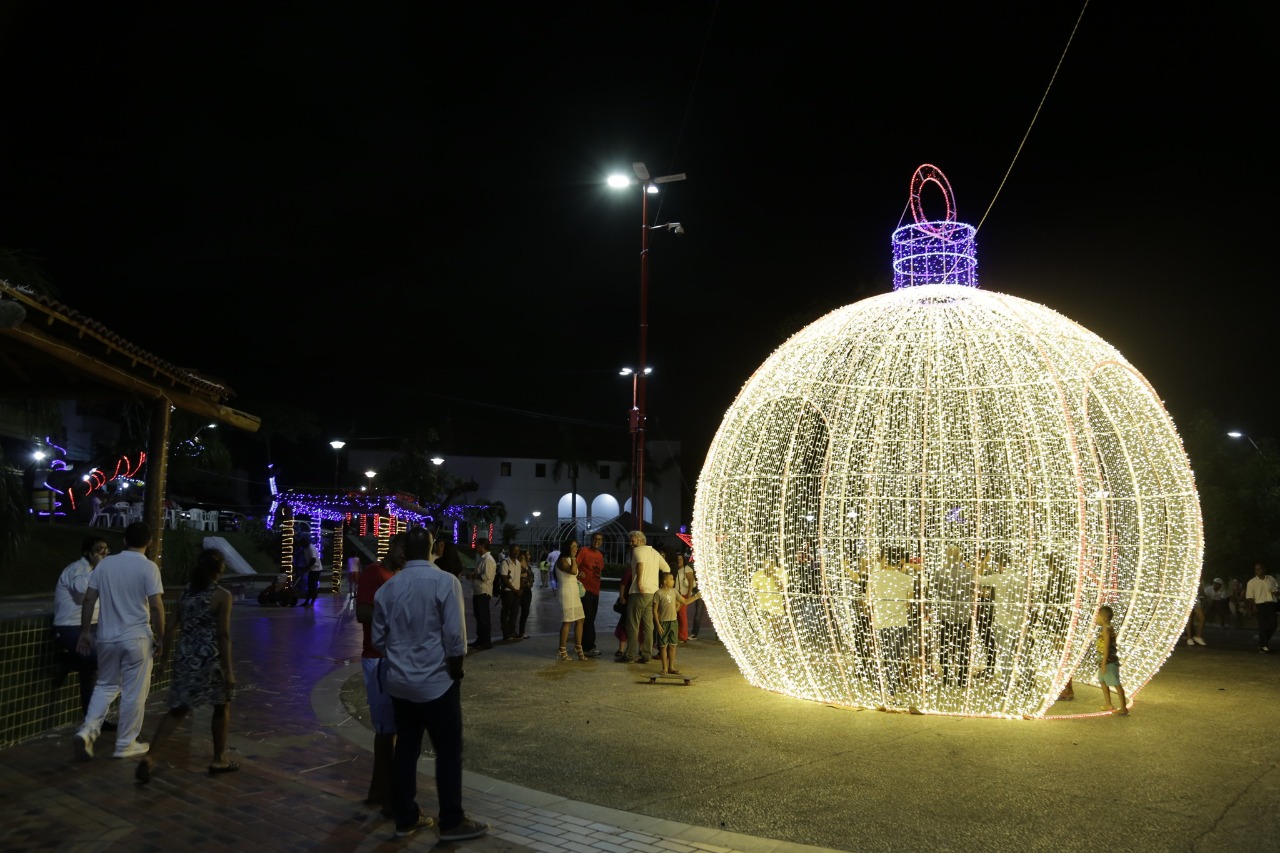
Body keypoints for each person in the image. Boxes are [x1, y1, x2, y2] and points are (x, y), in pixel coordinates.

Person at [372, 527, 488, 841]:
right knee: (448, 752)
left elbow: (378, 638)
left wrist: (401, 658)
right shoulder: (445, 582)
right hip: (438, 683)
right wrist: (456, 673)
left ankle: (405, 817)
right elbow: (455, 639)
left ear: (405, 552)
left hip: (400, 684)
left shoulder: (388, 589)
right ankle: (451, 821)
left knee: (406, 751)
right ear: (432, 548)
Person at [135, 549, 237, 783]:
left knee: (177, 709)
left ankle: (150, 757)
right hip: (210, 660)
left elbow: (170, 628)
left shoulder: (187, 593)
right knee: (221, 705)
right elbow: (223, 635)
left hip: (185, 659)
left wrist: (163, 661)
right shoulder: (222, 596)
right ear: (219, 568)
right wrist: (229, 670)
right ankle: (219, 758)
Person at [73, 521, 164, 761]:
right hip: (137, 638)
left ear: (124, 540)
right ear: (150, 542)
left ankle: (88, 730)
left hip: (106, 638)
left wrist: (84, 632)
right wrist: (162, 638)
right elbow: (156, 606)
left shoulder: (105, 565)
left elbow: (89, 599)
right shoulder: (149, 567)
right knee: (134, 692)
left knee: (105, 685)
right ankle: (125, 743)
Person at [355, 532, 407, 811]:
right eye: (402, 548)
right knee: (386, 729)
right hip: (377, 659)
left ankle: (381, 790)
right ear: (390, 547)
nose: (404, 555)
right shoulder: (374, 573)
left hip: (393, 658)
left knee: (393, 730)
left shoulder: (398, 576)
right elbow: (362, 613)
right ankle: (382, 792)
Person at [53, 535, 113, 725]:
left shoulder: (98, 571)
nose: (103, 553)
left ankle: (94, 720)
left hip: (92, 628)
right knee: (98, 659)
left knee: (90, 672)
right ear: (87, 553)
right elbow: (82, 589)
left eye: (105, 549)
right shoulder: (78, 569)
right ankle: (68, 659)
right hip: (69, 628)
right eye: (98, 550)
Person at [621, 530, 670, 663]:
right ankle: (646, 655)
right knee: (648, 625)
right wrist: (662, 585)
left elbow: (640, 565)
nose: (631, 543)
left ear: (641, 541)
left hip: (639, 592)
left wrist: (640, 583)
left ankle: (629, 654)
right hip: (653, 592)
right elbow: (666, 568)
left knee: (633, 624)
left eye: (633, 540)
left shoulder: (638, 551)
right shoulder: (654, 552)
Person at [652, 571, 701, 674]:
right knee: (663, 646)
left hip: (673, 622)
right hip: (663, 623)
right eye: (671, 579)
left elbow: (685, 602)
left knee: (673, 645)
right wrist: (658, 625)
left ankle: (671, 667)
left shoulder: (674, 592)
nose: (673, 581)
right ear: (665, 581)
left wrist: (696, 596)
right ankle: (664, 668)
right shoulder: (658, 593)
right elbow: (655, 610)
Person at [1095, 605, 1128, 716]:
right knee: (1102, 680)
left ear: (1103, 617)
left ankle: (1123, 708)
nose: (1096, 619)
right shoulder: (1106, 628)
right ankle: (1108, 703)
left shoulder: (1106, 629)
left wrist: (1104, 663)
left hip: (1109, 661)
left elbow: (1107, 647)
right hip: (1103, 660)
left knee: (1115, 683)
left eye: (1097, 616)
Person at [556, 540, 586, 660]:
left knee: (580, 619)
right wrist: (574, 558)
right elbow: (572, 571)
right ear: (567, 547)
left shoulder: (570, 560)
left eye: (577, 546)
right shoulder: (562, 561)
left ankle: (578, 646)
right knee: (568, 620)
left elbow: (573, 574)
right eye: (573, 546)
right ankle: (562, 648)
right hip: (566, 592)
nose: (576, 548)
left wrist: (579, 575)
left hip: (574, 591)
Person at [576, 533, 605, 656]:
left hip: (595, 590)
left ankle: (582, 644)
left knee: (591, 618)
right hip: (585, 590)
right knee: (588, 618)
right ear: (591, 540)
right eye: (595, 539)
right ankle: (589, 646)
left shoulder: (600, 555)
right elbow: (575, 566)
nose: (597, 541)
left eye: (599, 540)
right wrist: (578, 574)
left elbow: (599, 572)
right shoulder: (584, 551)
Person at [467, 538, 495, 650]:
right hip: (478, 591)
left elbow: (486, 576)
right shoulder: (483, 559)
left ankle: (486, 641)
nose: (475, 547)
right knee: (479, 616)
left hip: (483, 591)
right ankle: (480, 639)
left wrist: (473, 576)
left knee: (484, 617)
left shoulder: (488, 559)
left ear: (483, 546)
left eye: (477, 545)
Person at [1245, 562, 1279, 653]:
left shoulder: (1271, 579)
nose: (1258, 571)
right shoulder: (1251, 582)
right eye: (1256, 569)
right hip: (1260, 605)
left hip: (1271, 604)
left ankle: (1263, 643)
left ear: (1264, 569)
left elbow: (1276, 590)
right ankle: (1263, 646)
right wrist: (1254, 607)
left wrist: (1275, 592)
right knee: (1263, 626)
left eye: (1260, 569)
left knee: (1273, 624)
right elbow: (1249, 597)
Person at [496, 546, 522, 641]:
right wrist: (514, 589)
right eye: (514, 550)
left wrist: (519, 589)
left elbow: (519, 578)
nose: (516, 552)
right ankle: (506, 633)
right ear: (510, 551)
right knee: (505, 612)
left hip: (516, 592)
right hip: (508, 592)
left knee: (514, 612)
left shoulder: (518, 563)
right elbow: (504, 578)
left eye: (518, 550)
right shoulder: (505, 562)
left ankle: (512, 631)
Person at [673, 553, 695, 642]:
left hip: (683, 594)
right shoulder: (675, 569)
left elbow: (691, 581)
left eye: (681, 559)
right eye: (678, 559)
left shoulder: (687, 569)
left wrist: (689, 592)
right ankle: (679, 634)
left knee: (682, 614)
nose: (679, 561)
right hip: (676, 594)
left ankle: (683, 636)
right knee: (676, 615)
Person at [297, 534, 322, 606]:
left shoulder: (311, 548)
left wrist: (306, 567)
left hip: (316, 569)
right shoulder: (305, 549)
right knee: (310, 585)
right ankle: (307, 601)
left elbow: (313, 560)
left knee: (313, 586)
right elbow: (307, 559)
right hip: (312, 569)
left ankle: (312, 602)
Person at [517, 549, 534, 639]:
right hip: (520, 590)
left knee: (526, 611)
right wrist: (521, 575)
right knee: (517, 611)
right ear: (523, 555)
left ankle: (522, 632)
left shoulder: (528, 566)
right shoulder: (518, 565)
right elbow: (514, 575)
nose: (529, 556)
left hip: (528, 590)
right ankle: (515, 632)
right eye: (528, 554)